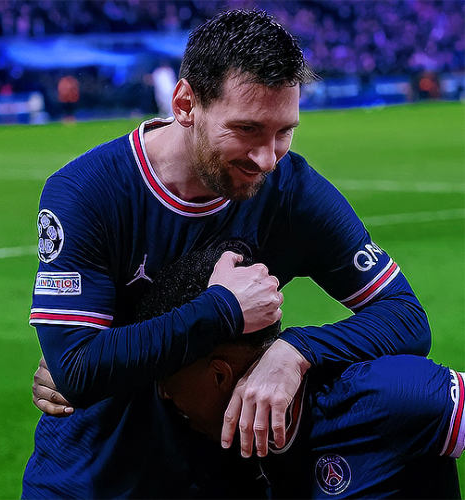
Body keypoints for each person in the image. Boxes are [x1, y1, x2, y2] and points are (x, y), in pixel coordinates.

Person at [24, 9, 431, 498]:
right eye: (247, 129)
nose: (267, 158)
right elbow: (78, 370)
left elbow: (406, 317)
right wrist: (223, 311)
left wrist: (296, 351)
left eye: (285, 131)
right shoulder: (89, 192)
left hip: (225, 482)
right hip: (90, 481)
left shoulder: (292, 193)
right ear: (185, 103)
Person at [34, 245, 464, 499]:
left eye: (165, 382)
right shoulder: (219, 449)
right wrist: (72, 372)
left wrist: (300, 347)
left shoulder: (388, 396)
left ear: (219, 375)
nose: (161, 396)